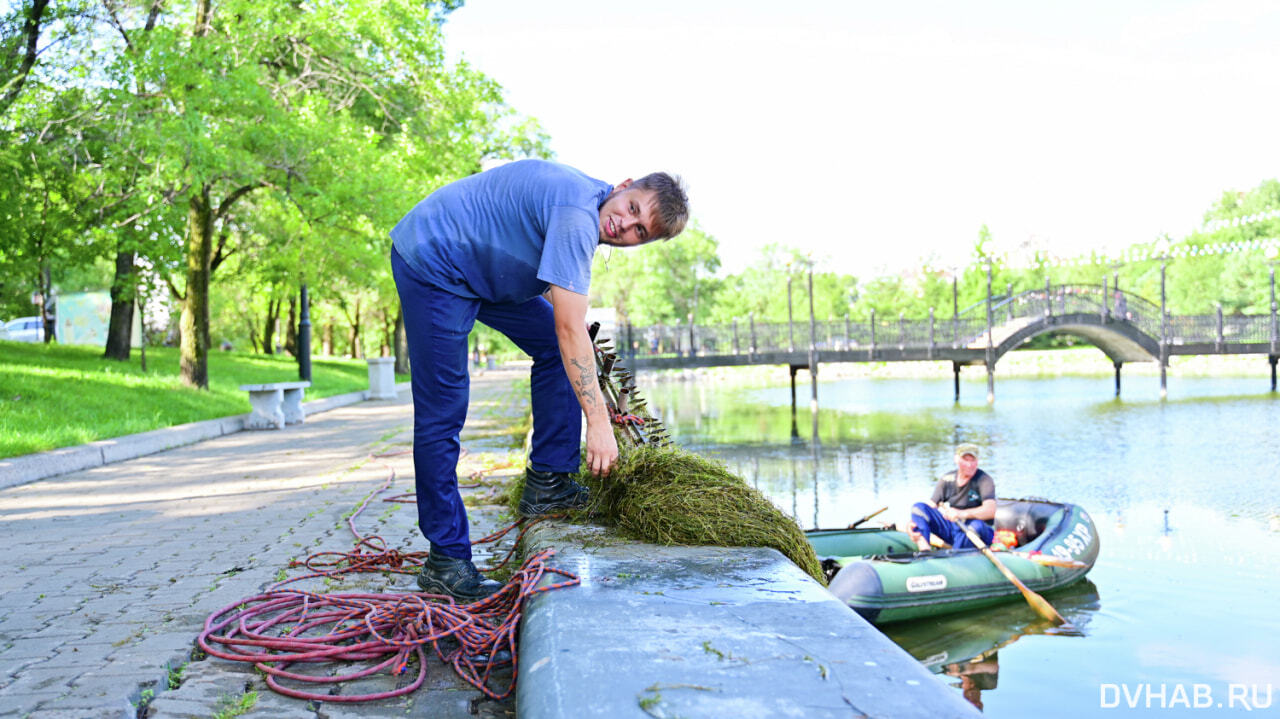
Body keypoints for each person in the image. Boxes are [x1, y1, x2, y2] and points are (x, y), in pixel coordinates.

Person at [390, 159, 689, 602]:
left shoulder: (583, 209)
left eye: (639, 231)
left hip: (479, 267)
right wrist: (600, 423)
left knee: (552, 346)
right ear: (623, 185)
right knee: (443, 412)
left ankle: (549, 482)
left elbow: (564, 321)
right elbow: (571, 329)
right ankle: (446, 560)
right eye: (631, 207)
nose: (624, 225)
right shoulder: (577, 214)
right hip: (436, 260)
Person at [908, 443, 996, 551]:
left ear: (977, 461)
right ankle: (925, 552)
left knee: (975, 526)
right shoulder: (947, 479)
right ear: (956, 459)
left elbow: (990, 510)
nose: (969, 465)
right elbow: (930, 505)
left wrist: (961, 514)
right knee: (918, 508)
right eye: (965, 460)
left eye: (972, 460)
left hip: (978, 529)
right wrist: (912, 524)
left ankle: (957, 556)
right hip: (954, 527)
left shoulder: (984, 480)